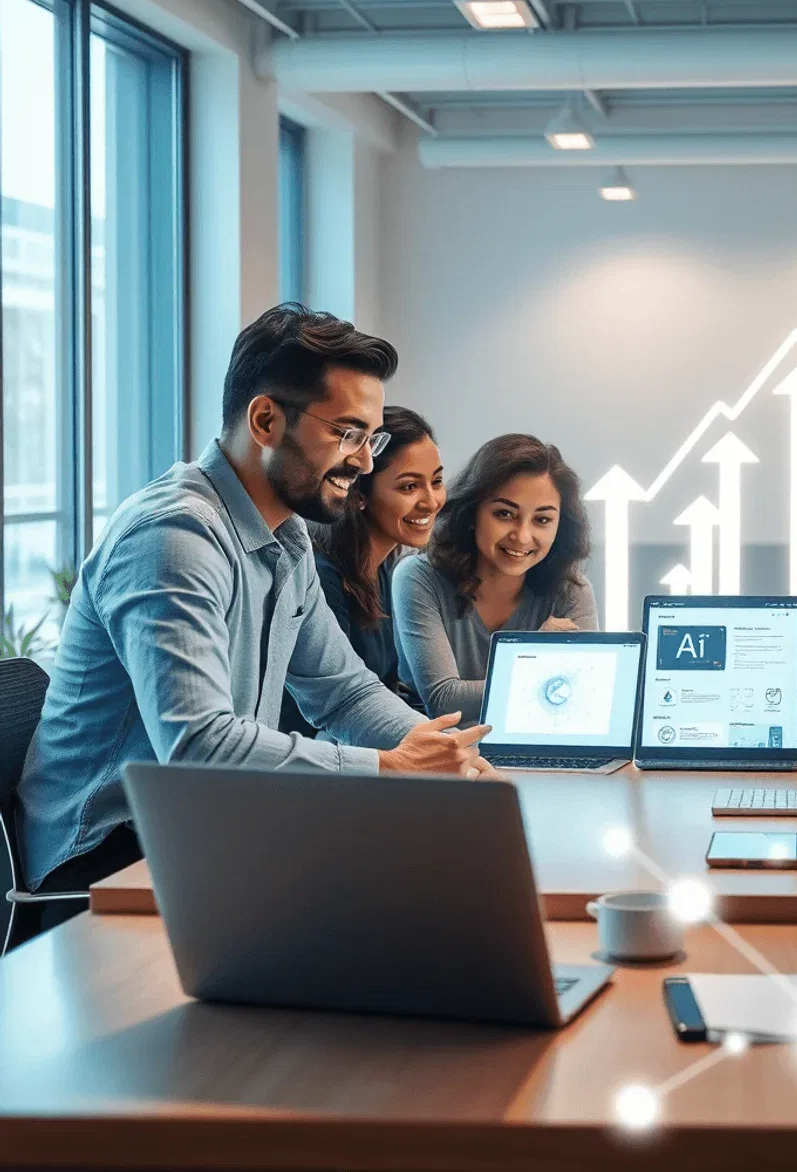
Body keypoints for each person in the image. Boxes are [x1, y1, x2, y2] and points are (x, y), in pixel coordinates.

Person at [15, 305, 491, 938]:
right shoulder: (173, 537)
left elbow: (344, 693)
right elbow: (196, 747)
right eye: (348, 433)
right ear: (266, 419)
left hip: (205, 835)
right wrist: (391, 769)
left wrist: (450, 756)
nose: (366, 463)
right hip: (106, 871)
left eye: (370, 438)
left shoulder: (285, 539)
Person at [393, 433, 597, 724]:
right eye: (504, 513)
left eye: (542, 520)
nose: (522, 536)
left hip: (531, 750)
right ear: (472, 512)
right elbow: (444, 700)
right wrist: (533, 659)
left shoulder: (572, 590)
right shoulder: (418, 576)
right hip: (439, 758)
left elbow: (584, 697)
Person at [279, 407, 445, 734]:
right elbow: (323, 714)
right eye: (409, 487)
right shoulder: (322, 578)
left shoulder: (384, 573)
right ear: (359, 495)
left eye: (436, 481)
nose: (431, 501)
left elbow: (385, 691)